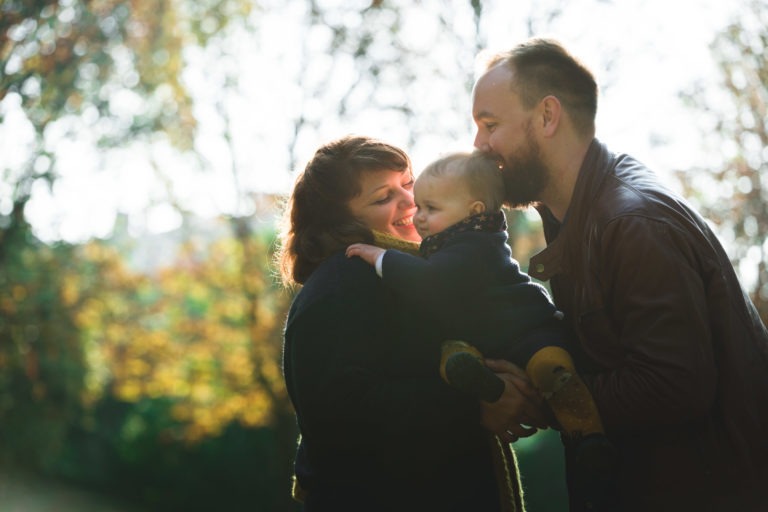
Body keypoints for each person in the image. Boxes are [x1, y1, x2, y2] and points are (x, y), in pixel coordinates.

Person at [471, 37, 768, 512]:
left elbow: (674, 384)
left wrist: (537, 402)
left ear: (547, 116)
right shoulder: (581, 213)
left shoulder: (630, 223)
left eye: (490, 125)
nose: (479, 146)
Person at [277, 135, 527, 511]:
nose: (410, 201)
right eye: (383, 197)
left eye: (408, 184)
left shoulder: (413, 274)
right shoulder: (341, 286)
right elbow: (341, 417)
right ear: (341, 221)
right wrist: (476, 407)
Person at [345, 151, 608, 450]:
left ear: (474, 210)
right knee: (452, 354)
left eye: (430, 208)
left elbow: (430, 281)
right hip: (489, 337)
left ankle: (588, 435)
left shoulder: (474, 245)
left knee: (550, 366)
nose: (417, 215)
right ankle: (470, 372)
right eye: (421, 206)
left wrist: (382, 258)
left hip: (527, 330)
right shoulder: (456, 239)